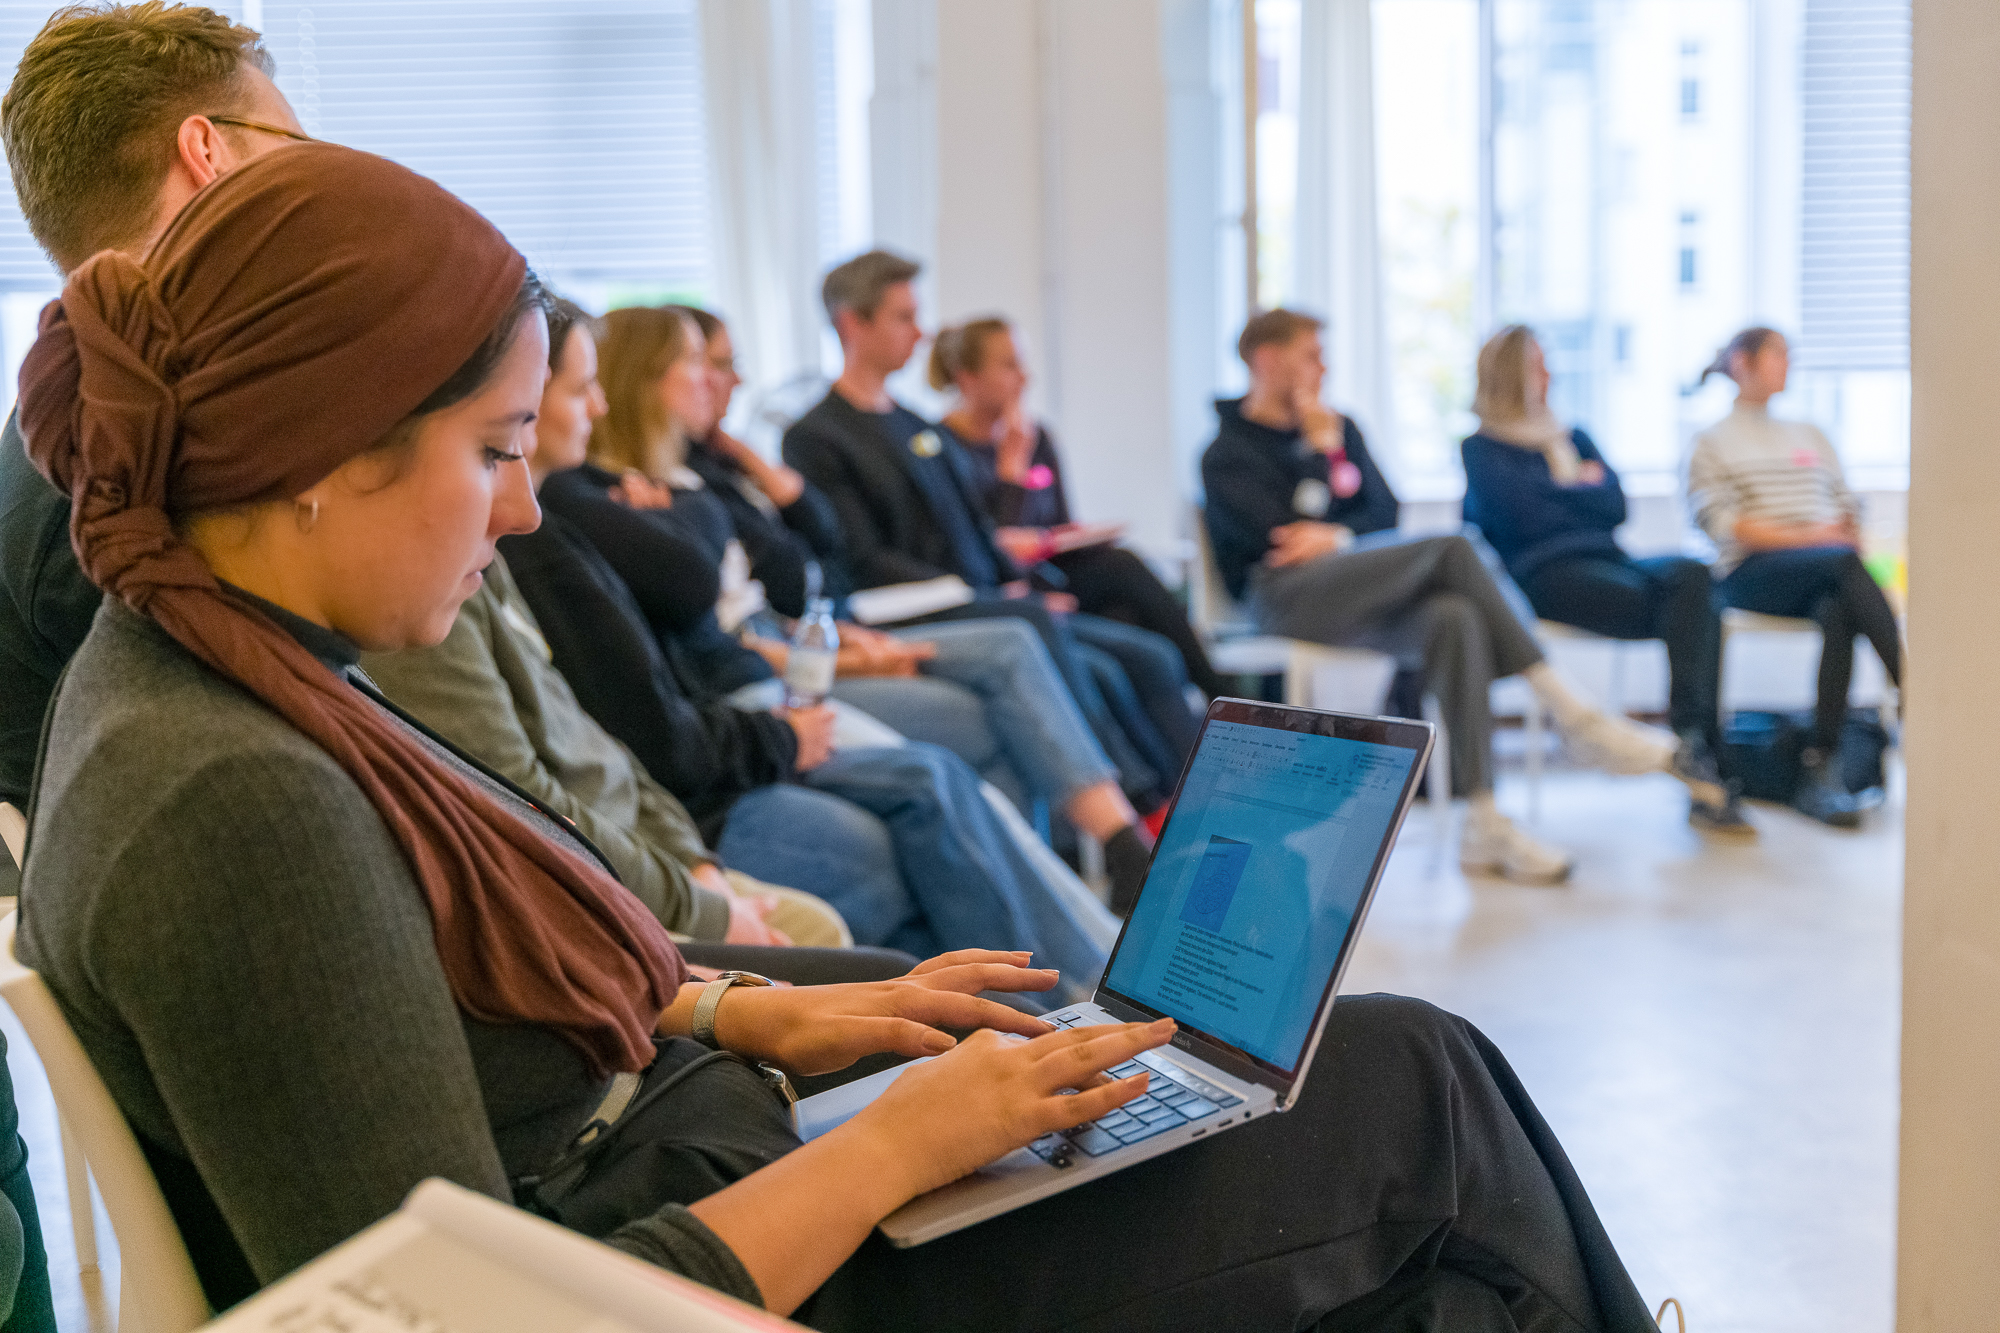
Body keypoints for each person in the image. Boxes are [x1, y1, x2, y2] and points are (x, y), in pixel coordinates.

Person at [16, 146, 1666, 1330]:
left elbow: (446, 1013)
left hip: (718, 1163)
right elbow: (476, 1316)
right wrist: (898, 1146)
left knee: (1331, 1109)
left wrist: (759, 1013)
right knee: (1420, 1096)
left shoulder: (214, 670)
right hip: (743, 1264)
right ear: (320, 453)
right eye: (498, 448)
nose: (521, 509)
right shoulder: (232, 800)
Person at [508, 307, 1116, 990]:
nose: (722, 380)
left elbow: (800, 558)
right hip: (742, 713)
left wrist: (726, 478)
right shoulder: (578, 504)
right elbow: (693, 615)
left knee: (1019, 665)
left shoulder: (681, 475)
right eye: (702, 364)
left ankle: (1087, 961)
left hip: (756, 691)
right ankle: (1073, 974)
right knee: (959, 741)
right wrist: (790, 724)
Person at [1204, 309, 1715, 884]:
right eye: (1311, 356)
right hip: (1282, 600)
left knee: (1455, 617)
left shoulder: (1342, 428)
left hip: (1355, 589)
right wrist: (1321, 460)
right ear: (1266, 359)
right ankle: (1575, 715)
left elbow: (1384, 514)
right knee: (1454, 546)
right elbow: (1278, 539)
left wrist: (1338, 530)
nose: (1324, 368)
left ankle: (1484, 819)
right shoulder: (1227, 452)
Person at [660, 304, 1162, 884]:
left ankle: (1099, 860)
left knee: (1122, 641)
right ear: (854, 322)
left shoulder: (903, 428)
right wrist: (856, 653)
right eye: (710, 364)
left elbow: (815, 560)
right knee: (1016, 653)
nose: (730, 380)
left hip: (822, 631)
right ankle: (1115, 845)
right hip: (844, 629)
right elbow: (839, 563)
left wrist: (753, 464)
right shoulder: (806, 440)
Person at [782, 250, 1200, 805]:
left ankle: (1200, 801)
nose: (920, 333)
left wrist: (1022, 583)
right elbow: (860, 557)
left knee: (1146, 655)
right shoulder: (817, 437)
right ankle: (1136, 804)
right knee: (1069, 647)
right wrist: (986, 595)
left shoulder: (916, 427)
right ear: (851, 323)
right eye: (903, 317)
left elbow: (975, 529)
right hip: (907, 608)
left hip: (977, 598)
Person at [1462, 325, 1750, 838]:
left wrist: (1559, 491)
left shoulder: (1572, 435)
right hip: (1543, 575)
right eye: (1537, 365)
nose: (1550, 374)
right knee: (1685, 611)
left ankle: (1693, 742)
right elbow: (1522, 520)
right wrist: (1578, 487)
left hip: (1611, 559)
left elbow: (1616, 505)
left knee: (1693, 575)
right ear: (1511, 375)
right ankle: (1704, 763)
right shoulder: (1482, 448)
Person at [930, 315, 1228, 701]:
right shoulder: (942, 449)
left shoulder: (1038, 437)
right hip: (1010, 590)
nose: (1024, 377)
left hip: (1057, 572)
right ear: (967, 377)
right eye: (1009, 365)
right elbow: (990, 553)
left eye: (1022, 363)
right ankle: (1219, 694)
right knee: (1123, 574)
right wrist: (1011, 477)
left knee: (1127, 612)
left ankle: (1207, 712)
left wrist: (1076, 538)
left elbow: (1060, 522)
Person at [1689, 326, 1904, 828]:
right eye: (1778, 354)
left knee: (1839, 606)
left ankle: (1819, 766)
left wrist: (1839, 532)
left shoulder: (1811, 434)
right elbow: (1723, 524)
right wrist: (1815, 538)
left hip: (1825, 569)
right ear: (1742, 363)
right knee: (1842, 566)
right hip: (1748, 573)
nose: (1789, 363)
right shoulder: (1711, 441)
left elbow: (1847, 507)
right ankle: (1914, 689)